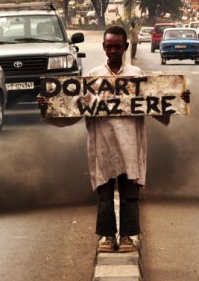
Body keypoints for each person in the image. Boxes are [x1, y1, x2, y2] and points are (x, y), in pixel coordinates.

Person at [38, 25, 189, 253]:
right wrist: (47, 108)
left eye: (117, 46)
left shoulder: (136, 76)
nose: (113, 50)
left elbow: (157, 110)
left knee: (130, 194)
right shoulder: (93, 77)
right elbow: (74, 112)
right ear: (103, 47)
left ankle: (128, 237)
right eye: (109, 46)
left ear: (126, 47)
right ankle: (107, 237)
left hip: (131, 144)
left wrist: (176, 100)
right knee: (105, 194)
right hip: (102, 145)